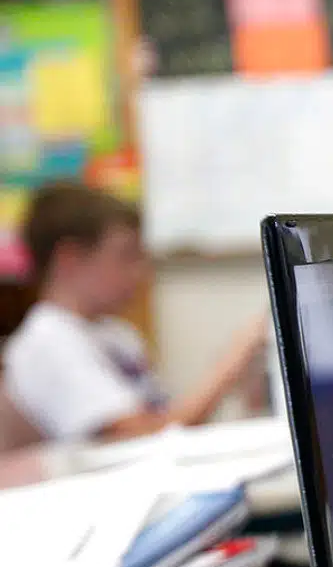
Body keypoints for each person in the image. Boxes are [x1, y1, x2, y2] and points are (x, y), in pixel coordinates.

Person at [2, 180, 269, 441]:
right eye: (126, 256)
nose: (140, 273)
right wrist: (230, 362)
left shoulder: (117, 335)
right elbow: (151, 438)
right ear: (69, 259)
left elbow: (170, 425)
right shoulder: (47, 341)